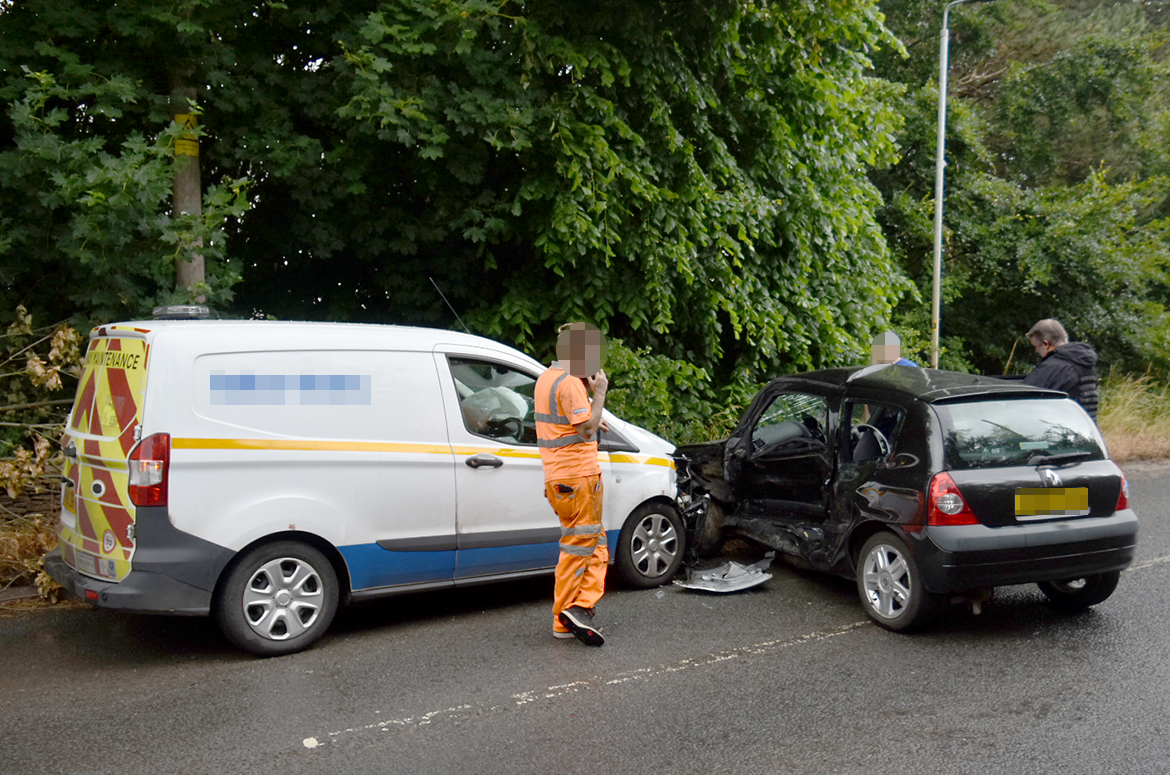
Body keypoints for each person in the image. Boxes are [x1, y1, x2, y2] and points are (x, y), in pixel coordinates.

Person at [534, 323, 609, 646]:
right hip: (579, 478)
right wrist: (600, 394)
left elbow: (568, 422)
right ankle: (569, 610)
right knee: (579, 550)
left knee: (591, 544)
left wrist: (591, 415)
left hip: (559, 479)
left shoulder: (546, 378)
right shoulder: (569, 384)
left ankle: (574, 612)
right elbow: (586, 431)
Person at [1022, 318, 1099, 419]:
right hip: (1088, 428)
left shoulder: (1053, 367)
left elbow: (1026, 398)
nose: (1036, 350)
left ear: (1046, 344)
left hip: (1063, 429)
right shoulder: (1085, 362)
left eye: (1036, 346)